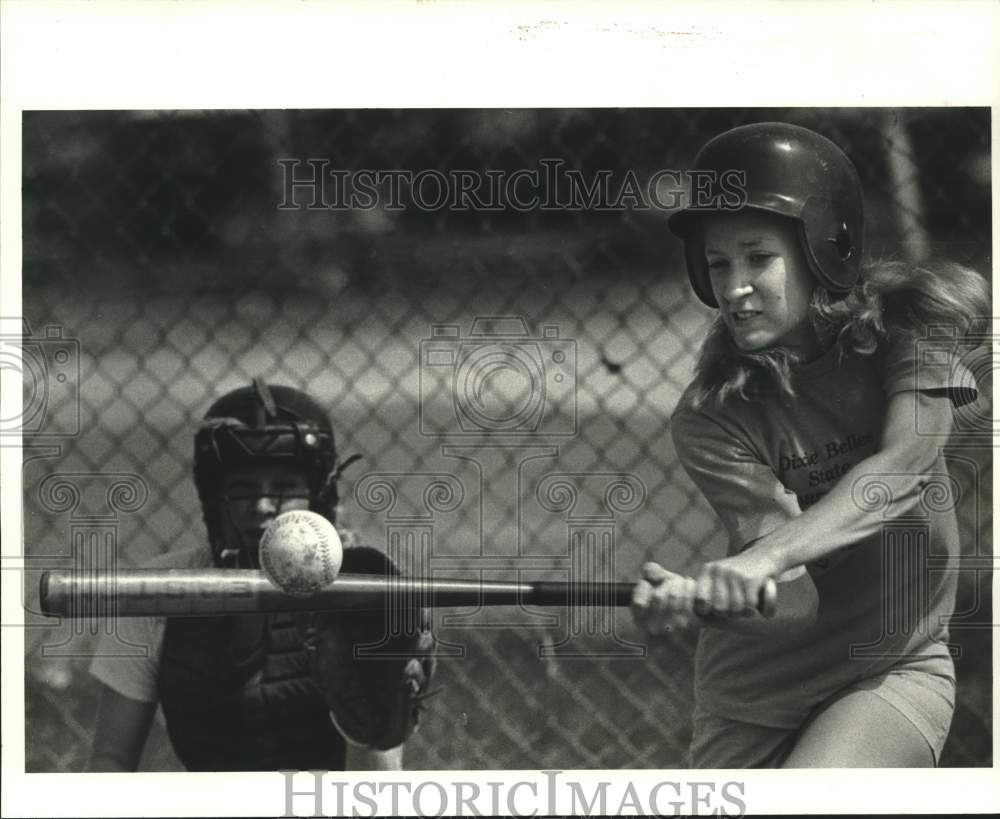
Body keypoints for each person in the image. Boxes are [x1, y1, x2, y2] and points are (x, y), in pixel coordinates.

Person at [631, 122, 989, 768]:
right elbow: (795, 602)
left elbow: (904, 467)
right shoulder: (714, 414)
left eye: (757, 257)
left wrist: (763, 558)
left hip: (893, 666)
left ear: (825, 243)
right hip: (751, 700)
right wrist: (710, 601)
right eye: (717, 264)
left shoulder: (910, 330)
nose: (733, 288)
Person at [87, 379, 405, 771]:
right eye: (242, 488)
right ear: (213, 497)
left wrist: (370, 716)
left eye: (285, 487)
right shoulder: (161, 594)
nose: (261, 506)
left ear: (318, 495)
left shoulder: (361, 591)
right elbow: (112, 758)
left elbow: (376, 786)